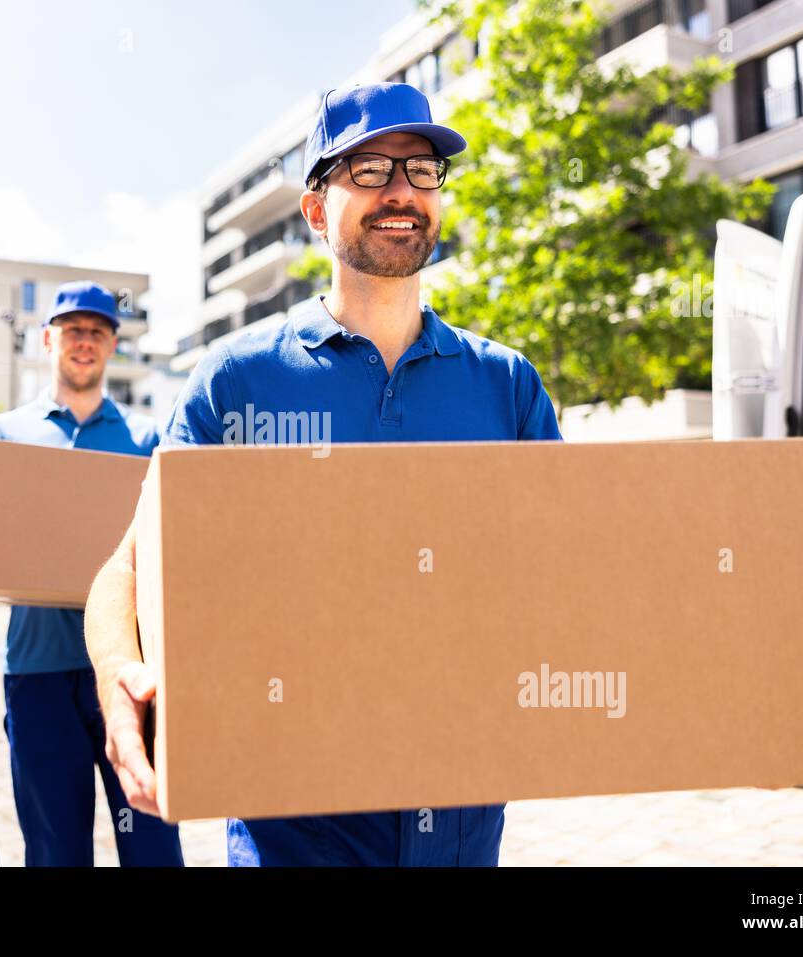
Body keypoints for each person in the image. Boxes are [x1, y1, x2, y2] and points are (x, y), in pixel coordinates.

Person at [85, 83, 563, 866]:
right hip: (294, 821)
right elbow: (128, 565)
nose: (403, 191)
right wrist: (116, 675)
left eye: (422, 170)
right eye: (370, 170)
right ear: (314, 211)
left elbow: (567, 568)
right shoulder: (237, 380)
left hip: (463, 815)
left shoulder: (506, 384)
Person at [0, 281, 184, 867]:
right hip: (38, 674)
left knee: (154, 846)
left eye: (97, 331)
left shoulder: (147, 440)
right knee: (54, 850)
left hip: (132, 672)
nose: (84, 342)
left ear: (113, 345)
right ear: (47, 340)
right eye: (72, 331)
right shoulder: (3, 435)